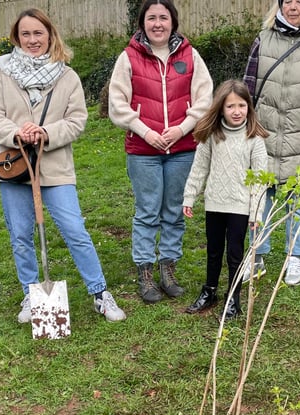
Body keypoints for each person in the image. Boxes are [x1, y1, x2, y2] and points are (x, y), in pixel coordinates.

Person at [0, 8, 126, 323]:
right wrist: (16, 132)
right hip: (15, 168)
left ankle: (100, 293)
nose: (32, 40)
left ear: (50, 35)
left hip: (56, 167)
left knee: (75, 230)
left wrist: (45, 133)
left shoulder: (67, 76)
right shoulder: (3, 75)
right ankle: (31, 295)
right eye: (25, 34)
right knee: (20, 235)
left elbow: (77, 120)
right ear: (16, 38)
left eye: (38, 33)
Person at [108, 0, 213, 304]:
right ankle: (145, 272)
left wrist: (183, 128)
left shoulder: (190, 56)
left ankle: (168, 268)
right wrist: (146, 132)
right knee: (147, 211)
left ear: (173, 22)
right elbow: (117, 104)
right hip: (143, 150)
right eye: (151, 18)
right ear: (142, 23)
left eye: (163, 18)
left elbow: (205, 98)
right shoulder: (129, 58)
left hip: (182, 149)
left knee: (174, 210)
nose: (157, 24)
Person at [242, 0, 300, 287]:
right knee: (261, 195)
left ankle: (294, 257)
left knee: (299, 197)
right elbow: (247, 90)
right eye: (288, 2)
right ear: (279, 6)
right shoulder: (263, 40)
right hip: (265, 131)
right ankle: (257, 253)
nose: (293, 7)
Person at [182, 80, 268, 319]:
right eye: (230, 106)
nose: (237, 111)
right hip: (215, 203)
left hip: (240, 206)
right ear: (220, 108)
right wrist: (189, 197)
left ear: (249, 108)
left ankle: (233, 298)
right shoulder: (211, 135)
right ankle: (209, 290)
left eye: (242, 105)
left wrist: (256, 212)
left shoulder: (255, 139)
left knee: (234, 253)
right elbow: (200, 168)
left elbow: (260, 180)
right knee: (213, 249)